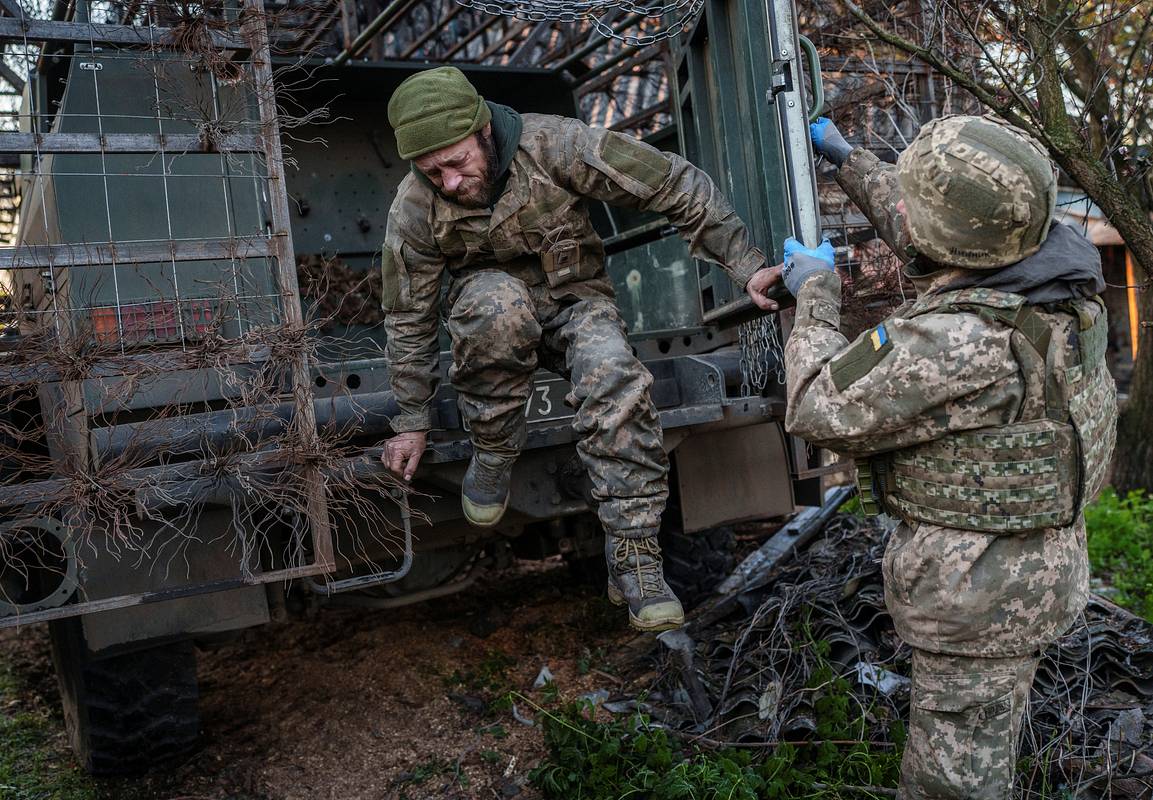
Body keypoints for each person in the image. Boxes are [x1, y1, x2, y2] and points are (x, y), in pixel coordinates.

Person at [782, 114, 1117, 799]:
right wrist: (849, 161)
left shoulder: (959, 341)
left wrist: (813, 294)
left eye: (911, 203)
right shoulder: (1054, 268)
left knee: (953, 783)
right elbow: (941, 221)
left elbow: (818, 406)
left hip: (975, 602)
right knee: (988, 741)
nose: (900, 209)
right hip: (1033, 577)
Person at [377, 66, 781, 632]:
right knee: (497, 302)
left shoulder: (555, 144)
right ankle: (493, 453)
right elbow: (408, 314)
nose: (446, 181)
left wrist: (747, 266)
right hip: (491, 321)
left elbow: (670, 182)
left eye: (456, 162)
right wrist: (413, 419)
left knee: (615, 375)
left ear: (483, 132)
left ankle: (635, 557)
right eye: (430, 171)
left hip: (577, 304)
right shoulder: (414, 207)